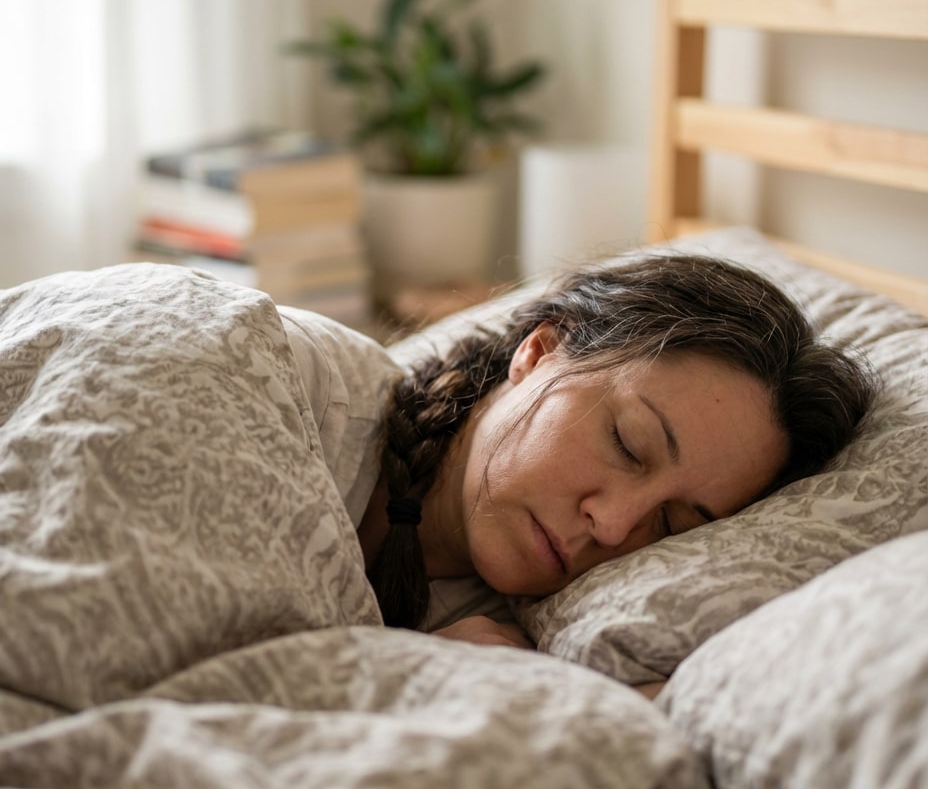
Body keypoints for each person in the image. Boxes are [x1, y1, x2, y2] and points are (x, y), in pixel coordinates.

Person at [358, 253, 875, 656]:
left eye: (671, 524)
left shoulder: (533, 641)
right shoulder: (302, 396)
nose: (612, 526)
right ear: (539, 351)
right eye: (628, 446)